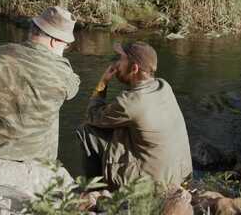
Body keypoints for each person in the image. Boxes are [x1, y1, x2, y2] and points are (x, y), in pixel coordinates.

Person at [0, 6, 80, 161]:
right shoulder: (63, 72)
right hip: (36, 163)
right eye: (66, 44)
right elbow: (73, 91)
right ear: (55, 41)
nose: (66, 48)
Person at [77, 41, 192, 188]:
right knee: (119, 128)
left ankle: (95, 190)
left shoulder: (130, 103)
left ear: (134, 68)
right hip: (180, 175)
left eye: (121, 60)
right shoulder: (164, 86)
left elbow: (91, 115)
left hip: (155, 183)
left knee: (87, 130)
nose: (117, 64)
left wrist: (103, 82)